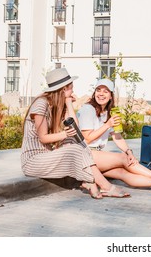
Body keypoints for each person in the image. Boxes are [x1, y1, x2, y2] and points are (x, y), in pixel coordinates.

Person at [21, 68, 130, 199]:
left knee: (76, 141)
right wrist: (65, 134)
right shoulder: (41, 104)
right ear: (63, 89)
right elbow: (43, 138)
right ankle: (103, 186)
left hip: (48, 156)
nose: (73, 91)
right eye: (71, 88)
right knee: (74, 147)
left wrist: (68, 104)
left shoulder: (57, 105)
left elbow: (75, 127)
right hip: (34, 161)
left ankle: (89, 182)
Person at [76, 78, 151, 194]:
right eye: (98, 90)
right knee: (123, 158)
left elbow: (117, 136)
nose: (101, 94)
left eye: (105, 91)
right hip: (85, 154)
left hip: (96, 156)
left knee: (122, 172)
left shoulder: (109, 112)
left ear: (111, 96)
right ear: (94, 93)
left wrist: (128, 151)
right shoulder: (88, 109)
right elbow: (87, 138)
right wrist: (108, 125)